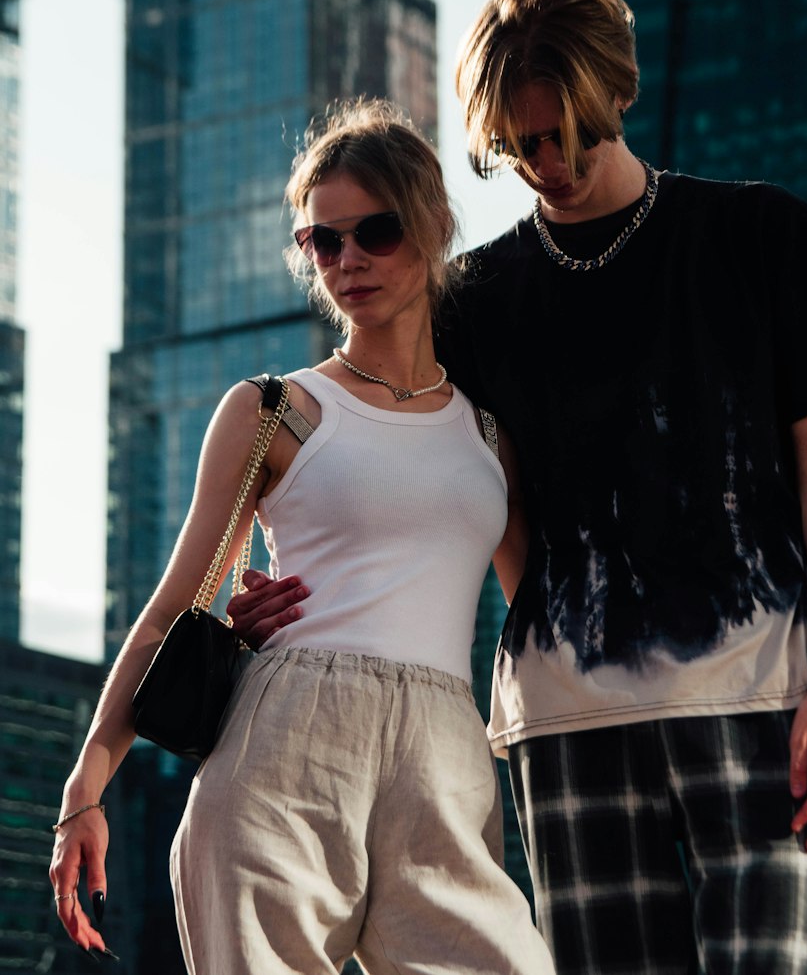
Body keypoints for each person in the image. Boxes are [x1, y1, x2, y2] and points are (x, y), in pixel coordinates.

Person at [230, 0, 807, 975]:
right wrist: (285, 581)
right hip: (565, 726)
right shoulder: (475, 302)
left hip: (763, 706)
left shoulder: (761, 236)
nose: (550, 160)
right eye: (522, 141)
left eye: (570, 130)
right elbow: (419, 470)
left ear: (616, 91)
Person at [49, 99, 554, 975]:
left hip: (447, 756)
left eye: (376, 232)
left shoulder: (489, 435)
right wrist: (85, 785)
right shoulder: (275, 409)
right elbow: (175, 608)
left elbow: (535, 625)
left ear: (433, 227)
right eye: (323, 242)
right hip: (285, 749)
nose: (348, 260)